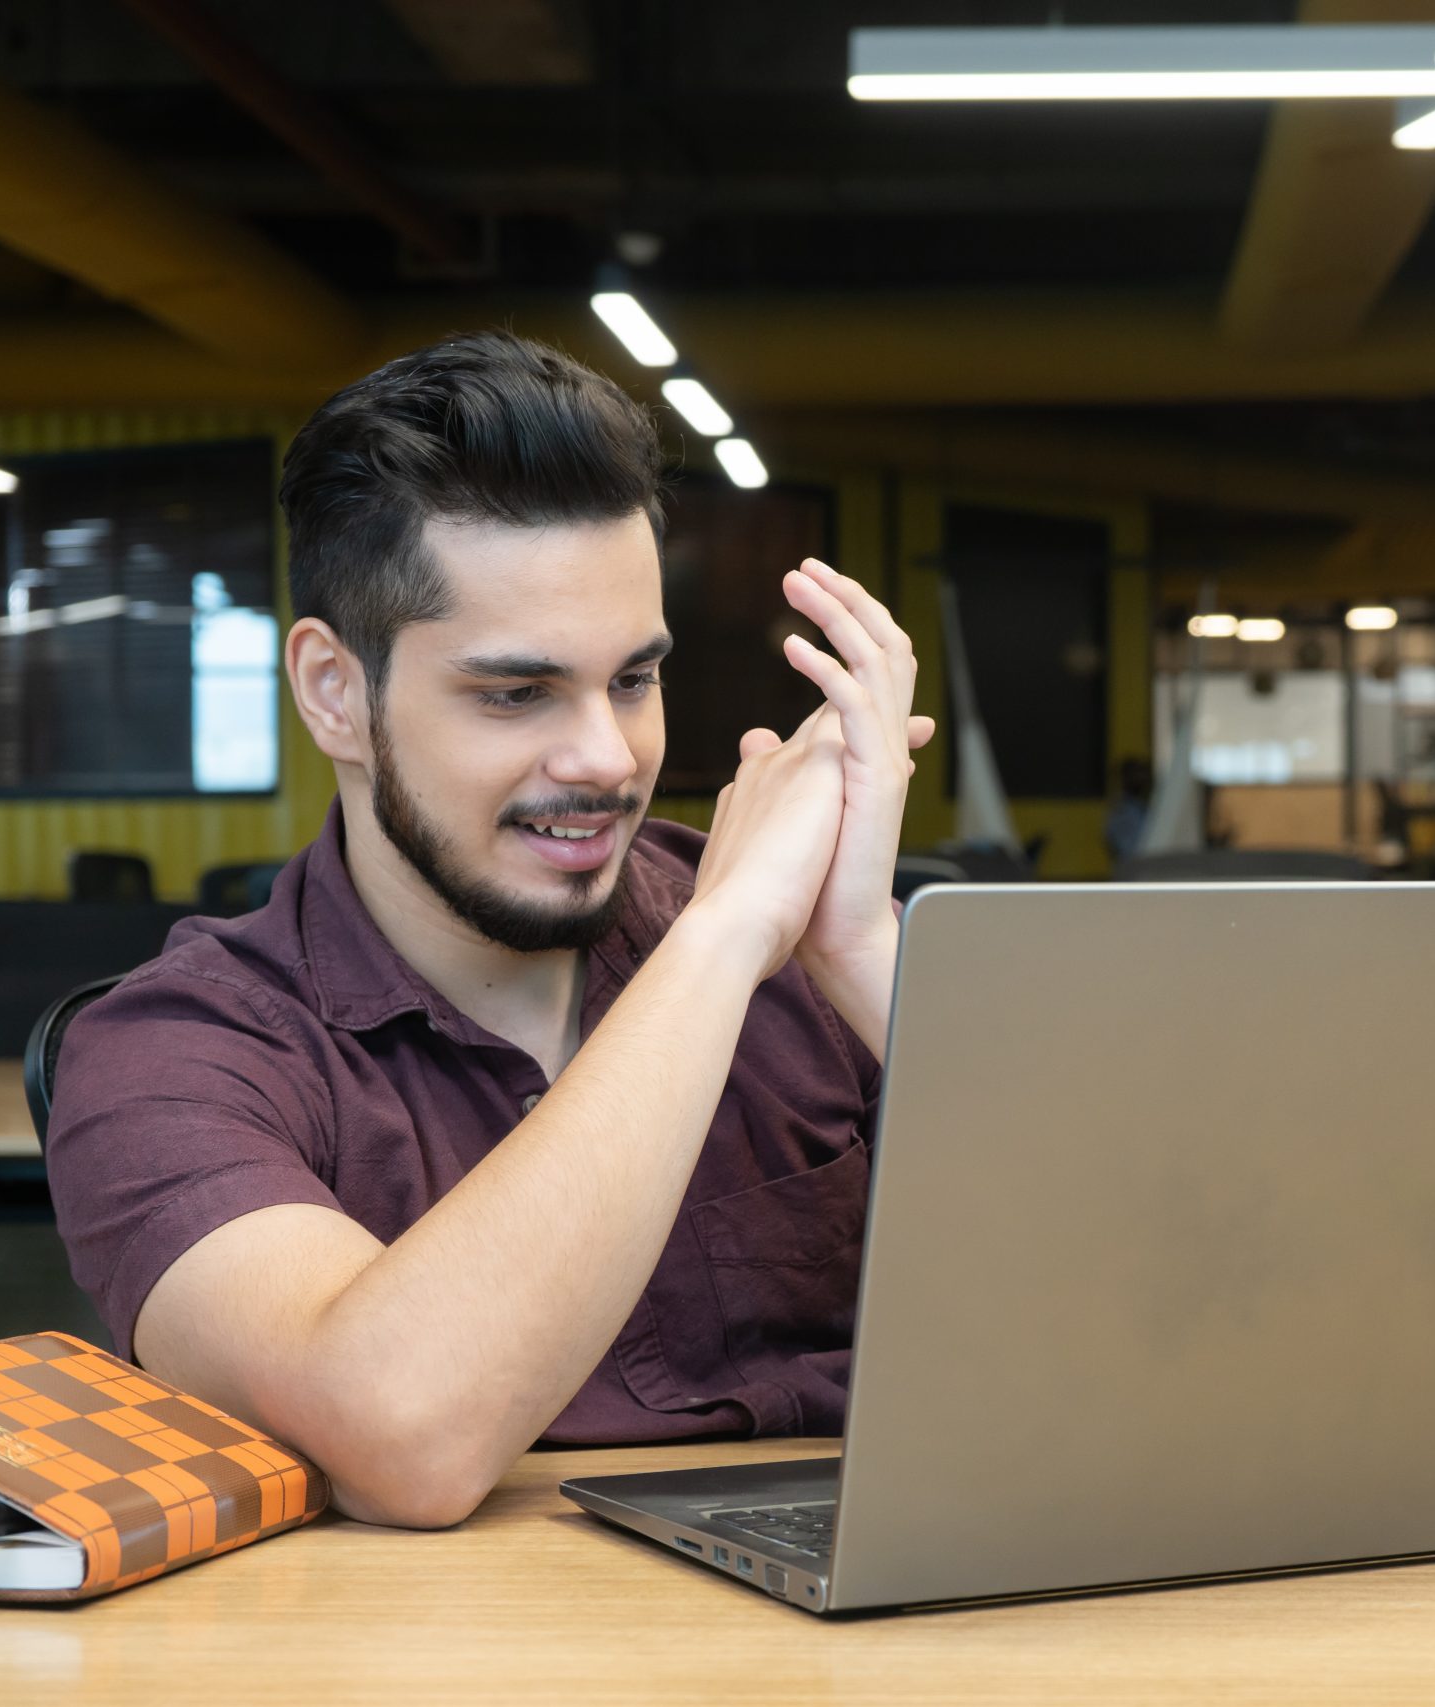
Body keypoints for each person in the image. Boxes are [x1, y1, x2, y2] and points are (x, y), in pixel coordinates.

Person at [45, 332, 934, 1528]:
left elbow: (1180, 1312)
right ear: (334, 693)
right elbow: (402, 1439)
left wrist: (873, 969)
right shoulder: (174, 1052)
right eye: (516, 694)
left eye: (632, 680)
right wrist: (718, 947)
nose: (608, 761)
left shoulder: (812, 949)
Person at [1104, 755, 1154, 864]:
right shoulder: (1120, 807)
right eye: (1134, 775)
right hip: (1129, 865)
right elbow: (1110, 839)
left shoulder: (1146, 805)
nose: (1140, 778)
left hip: (1147, 863)